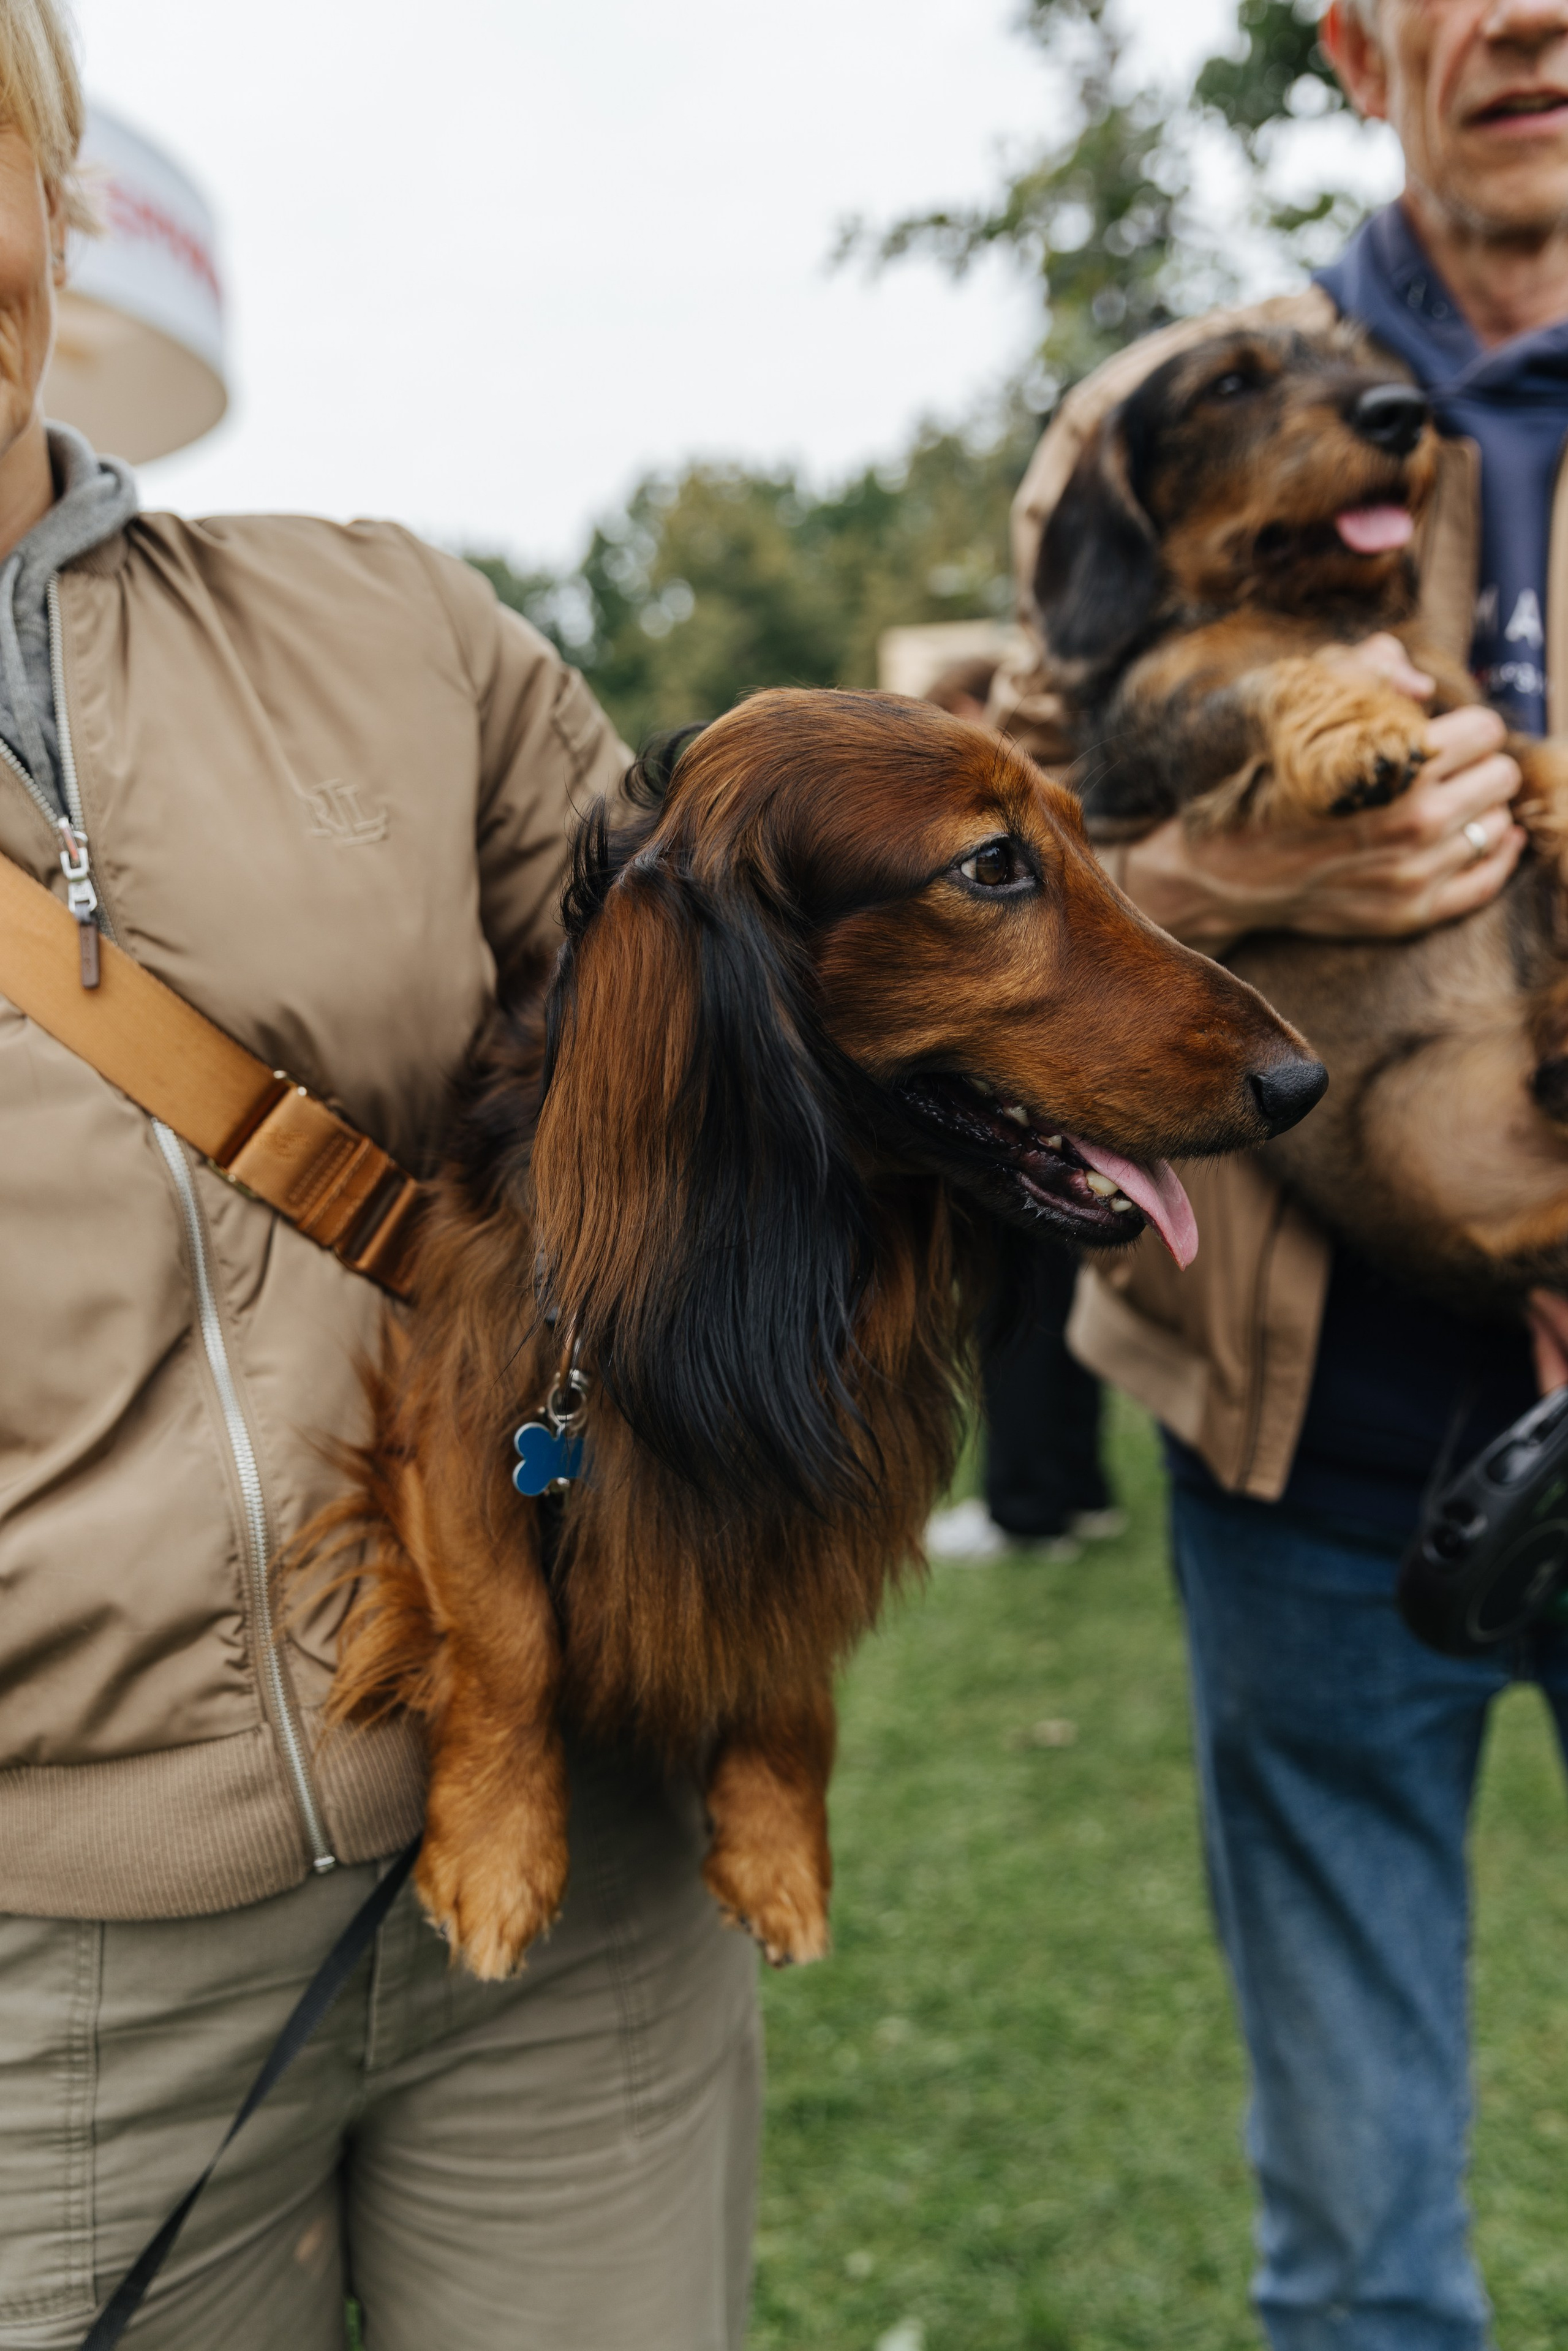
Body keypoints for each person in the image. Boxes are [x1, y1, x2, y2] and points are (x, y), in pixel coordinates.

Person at [0, 10, 758, 2347]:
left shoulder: (388, 628)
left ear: (52, 196)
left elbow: (744, 1046)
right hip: (52, 1978)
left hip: (578, 1845)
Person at [990, 1, 1568, 2342]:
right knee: (1353, 2223)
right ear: (1353, 41)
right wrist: (1235, 881)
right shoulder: (1164, 404)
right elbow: (1008, 857)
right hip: (1307, 1437)